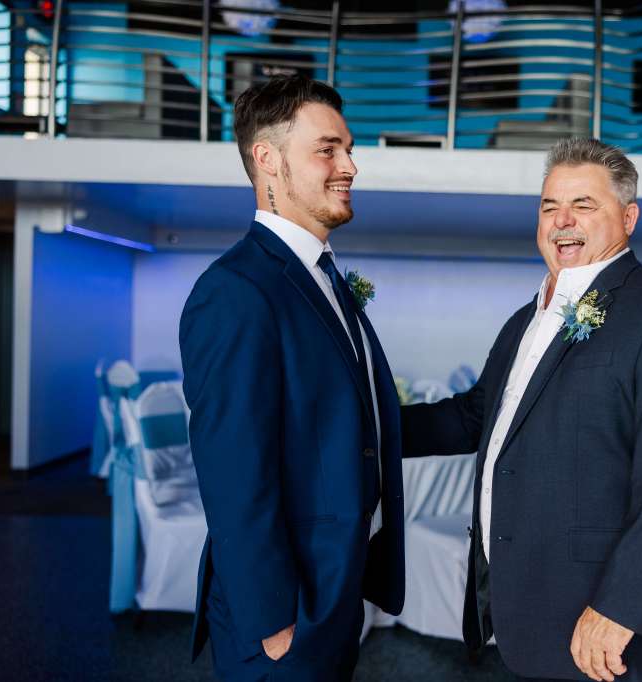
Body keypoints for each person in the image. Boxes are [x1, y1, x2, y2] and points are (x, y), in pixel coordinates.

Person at [401, 138, 642, 681]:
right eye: (550, 206)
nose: (562, 221)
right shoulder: (524, 320)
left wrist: (621, 608)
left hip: (613, 627)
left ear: (628, 218)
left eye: (583, 205)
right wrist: (360, 424)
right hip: (538, 609)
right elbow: (473, 417)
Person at [179, 76, 405, 682]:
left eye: (348, 149)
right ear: (268, 159)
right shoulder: (236, 291)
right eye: (328, 150)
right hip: (284, 614)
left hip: (331, 590)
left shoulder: (321, 276)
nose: (350, 166)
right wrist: (274, 620)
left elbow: (348, 420)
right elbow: (233, 473)